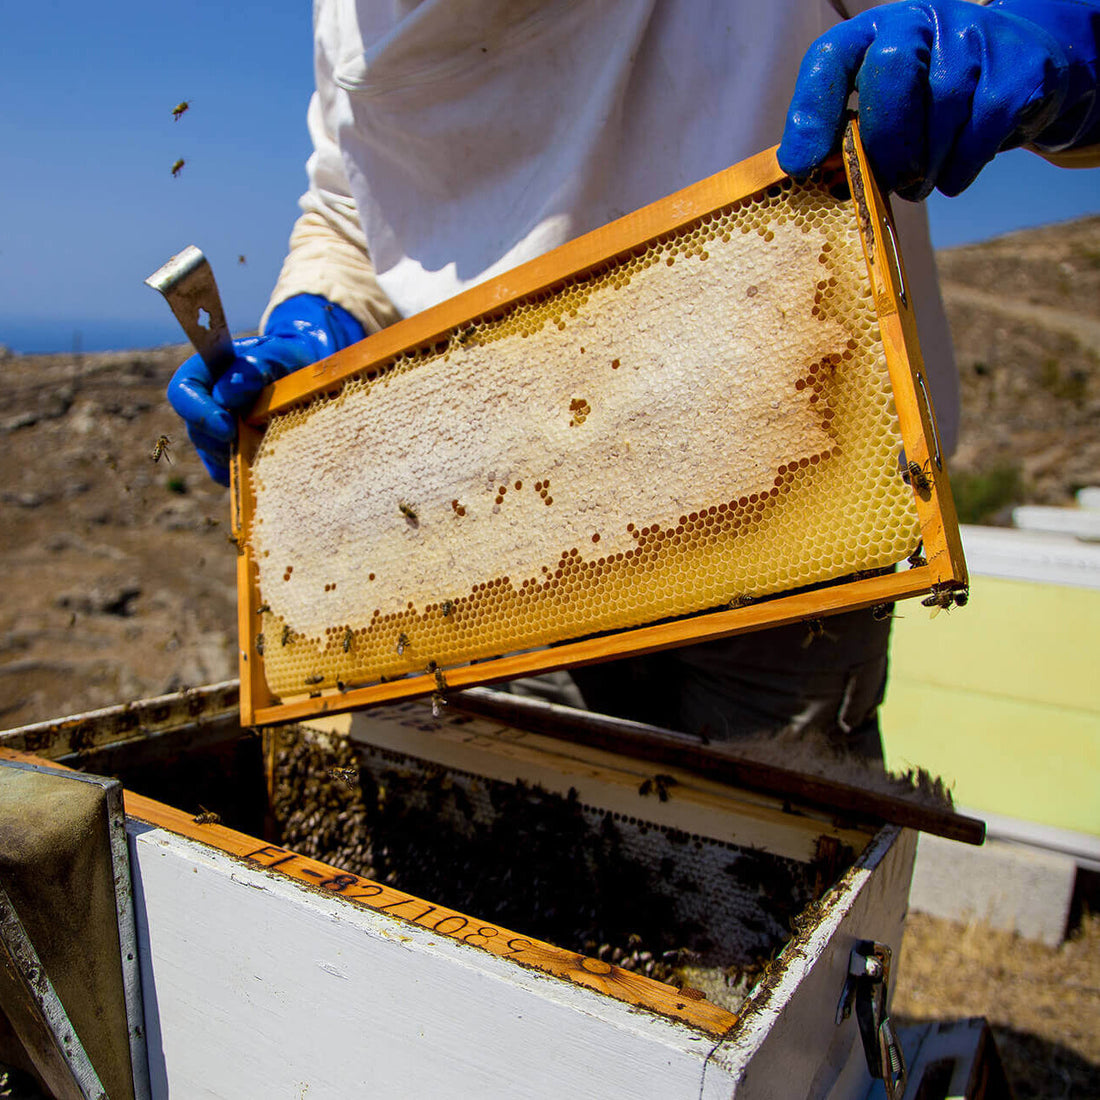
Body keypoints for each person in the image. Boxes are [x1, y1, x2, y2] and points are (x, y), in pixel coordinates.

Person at [168, 0, 1099, 757]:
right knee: (507, 879)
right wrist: (316, 318)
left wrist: (1057, 36)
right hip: (494, 531)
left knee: (771, 897)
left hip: (786, 491)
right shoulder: (347, 16)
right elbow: (350, 205)